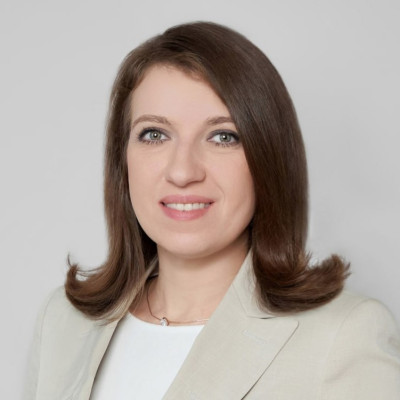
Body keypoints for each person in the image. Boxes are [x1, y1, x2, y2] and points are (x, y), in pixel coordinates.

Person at [24, 22, 400, 399]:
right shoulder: (62, 323)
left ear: (268, 160)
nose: (183, 172)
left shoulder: (345, 337)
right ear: (123, 160)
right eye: (154, 134)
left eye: (223, 136)